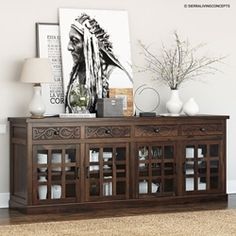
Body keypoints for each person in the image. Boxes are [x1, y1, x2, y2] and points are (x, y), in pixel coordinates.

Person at [65, 13, 132, 113]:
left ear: (91, 44)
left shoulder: (116, 76)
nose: (69, 47)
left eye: (75, 41)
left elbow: (123, 114)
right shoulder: (77, 75)